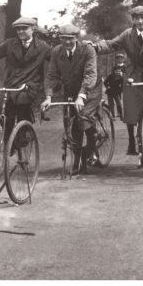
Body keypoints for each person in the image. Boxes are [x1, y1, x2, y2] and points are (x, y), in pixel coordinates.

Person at [90, 5, 143, 167]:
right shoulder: (127, 35)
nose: (140, 21)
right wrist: (95, 46)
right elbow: (111, 45)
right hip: (133, 72)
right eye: (136, 18)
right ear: (133, 20)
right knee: (130, 105)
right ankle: (131, 139)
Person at [41, 24, 103, 175]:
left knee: (84, 118)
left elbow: (90, 74)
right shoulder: (56, 52)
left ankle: (93, 141)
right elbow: (52, 75)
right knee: (70, 123)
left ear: (77, 38)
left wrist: (82, 96)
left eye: (70, 39)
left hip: (91, 88)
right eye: (63, 38)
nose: (67, 42)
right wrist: (48, 96)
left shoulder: (88, 50)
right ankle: (76, 161)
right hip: (70, 90)